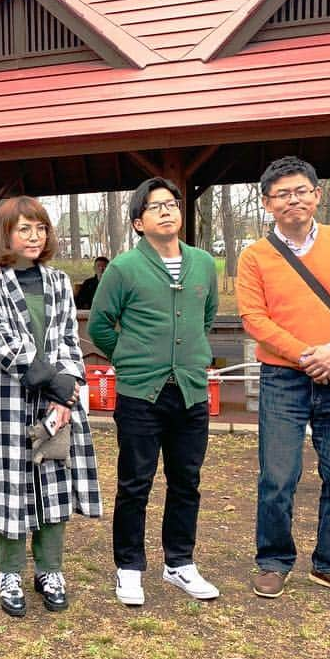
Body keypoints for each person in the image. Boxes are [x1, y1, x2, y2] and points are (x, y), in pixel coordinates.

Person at [237, 156, 330, 599]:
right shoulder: (255, 256)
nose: (292, 200)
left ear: (317, 194)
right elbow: (253, 317)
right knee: (278, 474)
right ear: (266, 204)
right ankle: (274, 560)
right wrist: (305, 354)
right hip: (283, 377)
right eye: (282, 194)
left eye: (300, 190)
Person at [88, 177, 220, 607]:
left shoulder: (202, 263)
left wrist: (190, 357)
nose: (166, 211)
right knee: (135, 482)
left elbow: (206, 317)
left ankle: (179, 562)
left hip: (191, 391)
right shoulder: (125, 268)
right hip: (140, 393)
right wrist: (129, 358)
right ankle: (129, 567)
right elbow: (100, 325)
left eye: (172, 203)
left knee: (187, 480)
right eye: (155, 206)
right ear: (138, 222)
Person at [0, 196, 101, 617]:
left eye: (40, 228)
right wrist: (58, 388)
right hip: (8, 401)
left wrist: (67, 395)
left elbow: (68, 339)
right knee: (9, 486)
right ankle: (8, 570)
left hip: (57, 404)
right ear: (4, 235)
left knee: (54, 482)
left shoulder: (59, 282)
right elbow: (5, 346)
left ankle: (50, 569)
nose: (33, 236)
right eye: (23, 228)